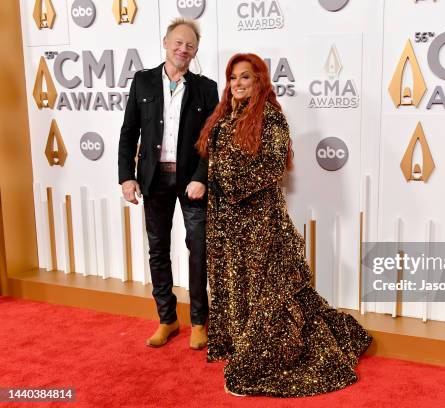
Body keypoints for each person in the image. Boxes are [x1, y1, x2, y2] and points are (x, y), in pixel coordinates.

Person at [196, 53, 372, 397]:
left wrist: (231, 187)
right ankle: (239, 338)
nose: (237, 84)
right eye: (233, 78)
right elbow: (214, 164)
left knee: (267, 289)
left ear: (259, 81)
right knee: (235, 281)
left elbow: (273, 167)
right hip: (225, 221)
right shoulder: (223, 118)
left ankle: (262, 348)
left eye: (245, 77)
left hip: (260, 220)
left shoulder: (272, 119)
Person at [118, 18, 218, 349]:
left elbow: (212, 140)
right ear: (165, 42)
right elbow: (129, 131)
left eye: (190, 45)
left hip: (191, 182)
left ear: (195, 51)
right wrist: (126, 176)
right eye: (178, 42)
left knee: (197, 250)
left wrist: (201, 178)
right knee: (158, 250)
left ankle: (200, 322)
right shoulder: (143, 81)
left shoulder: (206, 87)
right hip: (153, 179)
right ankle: (167, 319)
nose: (183, 49)